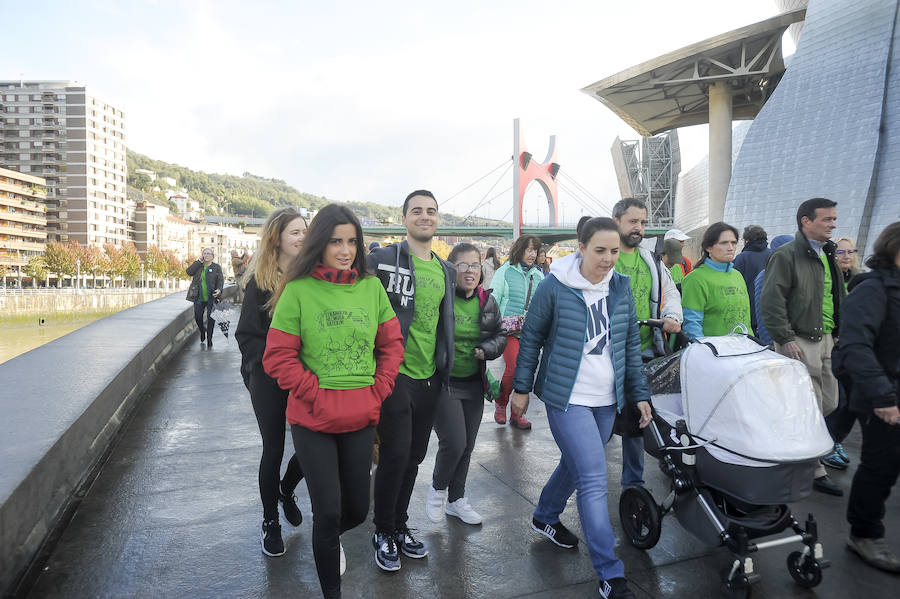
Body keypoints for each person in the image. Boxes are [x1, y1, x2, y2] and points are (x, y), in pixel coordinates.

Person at [263, 204, 405, 598]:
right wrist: (316, 393)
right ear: (319, 244)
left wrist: (378, 388)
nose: (345, 250)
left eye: (351, 242)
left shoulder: (372, 288)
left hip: (361, 416)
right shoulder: (298, 290)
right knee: (327, 513)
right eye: (335, 241)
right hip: (312, 420)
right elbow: (277, 357)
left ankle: (326, 537)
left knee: (357, 511)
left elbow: (392, 346)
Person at [510, 217, 652, 599]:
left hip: (607, 402)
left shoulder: (621, 288)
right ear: (582, 247)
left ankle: (544, 515)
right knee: (592, 478)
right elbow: (532, 339)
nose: (608, 259)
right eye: (600, 250)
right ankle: (610, 574)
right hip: (567, 398)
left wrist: (639, 394)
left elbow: (629, 349)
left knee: (574, 466)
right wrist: (520, 389)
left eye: (615, 252)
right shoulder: (555, 287)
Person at [367, 190, 456, 572]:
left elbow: (446, 322)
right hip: (394, 374)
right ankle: (382, 530)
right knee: (395, 454)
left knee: (415, 457)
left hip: (430, 377)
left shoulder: (445, 269)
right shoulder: (383, 260)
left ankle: (399, 524)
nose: (424, 216)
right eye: (416, 211)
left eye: (431, 211)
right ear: (403, 219)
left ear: (438, 220)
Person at [760, 198, 846, 496]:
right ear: (805, 221)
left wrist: (838, 331)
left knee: (830, 402)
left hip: (826, 338)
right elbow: (771, 301)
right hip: (798, 340)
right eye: (827, 219)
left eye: (834, 219)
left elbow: (837, 294)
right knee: (806, 405)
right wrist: (785, 338)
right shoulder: (786, 255)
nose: (833, 224)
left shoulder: (828, 253)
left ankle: (789, 449)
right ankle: (814, 467)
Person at [235, 208, 308, 558]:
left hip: (306, 375)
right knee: (274, 448)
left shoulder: (311, 277)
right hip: (266, 376)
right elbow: (246, 336)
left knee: (311, 447)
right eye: (295, 232)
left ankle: (286, 489)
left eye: (305, 231)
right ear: (277, 237)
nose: (302, 237)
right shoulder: (261, 281)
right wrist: (279, 359)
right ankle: (270, 522)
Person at [832, 221, 900, 574]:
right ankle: (864, 534)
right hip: (883, 398)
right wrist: (883, 397)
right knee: (881, 467)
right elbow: (856, 345)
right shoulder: (872, 289)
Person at [426, 243, 506, 526]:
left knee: (468, 445)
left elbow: (500, 334)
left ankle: (456, 500)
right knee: (454, 442)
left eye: (475, 265)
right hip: (444, 382)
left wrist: (487, 349)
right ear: (451, 268)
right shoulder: (441, 298)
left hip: (474, 382)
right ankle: (437, 490)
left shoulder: (487, 301)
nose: (470, 271)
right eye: (463, 265)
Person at [611, 198, 682, 490]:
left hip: (643, 351)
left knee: (638, 420)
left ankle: (633, 485)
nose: (639, 228)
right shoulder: (607, 255)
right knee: (602, 421)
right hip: (608, 352)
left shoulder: (650, 259)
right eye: (632, 222)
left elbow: (671, 293)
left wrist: (671, 315)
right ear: (616, 221)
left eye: (642, 222)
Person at [490, 234, 544, 429]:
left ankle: (517, 414)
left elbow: (542, 305)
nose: (532, 254)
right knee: (513, 368)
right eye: (528, 250)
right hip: (508, 330)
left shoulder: (538, 275)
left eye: (535, 250)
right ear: (519, 250)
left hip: (530, 331)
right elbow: (493, 299)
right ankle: (501, 402)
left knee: (526, 372)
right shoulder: (505, 271)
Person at [821, 236, 866, 469]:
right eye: (841, 252)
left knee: (852, 402)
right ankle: (827, 444)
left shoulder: (861, 280)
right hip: (832, 346)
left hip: (855, 348)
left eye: (851, 251)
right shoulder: (826, 278)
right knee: (837, 399)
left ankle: (835, 441)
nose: (846, 256)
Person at [681, 222, 752, 340]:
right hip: (715, 353)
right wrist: (704, 350)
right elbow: (692, 323)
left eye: (733, 243)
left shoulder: (737, 275)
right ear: (708, 247)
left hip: (744, 349)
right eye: (724, 243)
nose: (730, 248)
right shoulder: (695, 278)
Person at [752, 234, 794, 346]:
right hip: (777, 341)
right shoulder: (766, 275)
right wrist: (769, 342)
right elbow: (763, 310)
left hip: (793, 339)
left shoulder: (792, 273)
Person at [732, 225, 771, 335]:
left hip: (750, 310)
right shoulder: (773, 254)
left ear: (747, 240)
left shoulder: (742, 258)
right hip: (770, 309)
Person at [185, 247, 224, 348]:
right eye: (204, 253)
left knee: (211, 319)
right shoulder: (198, 265)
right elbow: (189, 272)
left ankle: (209, 339)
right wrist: (198, 261)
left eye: (208, 253)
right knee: (198, 317)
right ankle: (202, 331)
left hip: (212, 297)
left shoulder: (216, 267)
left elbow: (220, 280)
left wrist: (219, 289)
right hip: (198, 297)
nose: (206, 255)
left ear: (212, 256)